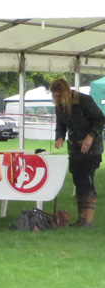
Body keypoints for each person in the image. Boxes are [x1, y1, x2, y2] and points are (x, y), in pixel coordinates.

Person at [51, 77, 105, 228]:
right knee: (78, 181)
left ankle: (88, 220)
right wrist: (60, 137)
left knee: (87, 182)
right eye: (54, 97)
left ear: (67, 92)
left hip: (91, 150)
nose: (57, 100)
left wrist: (90, 136)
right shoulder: (59, 106)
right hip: (74, 149)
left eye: (59, 96)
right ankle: (81, 219)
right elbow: (60, 125)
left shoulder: (84, 101)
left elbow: (100, 119)